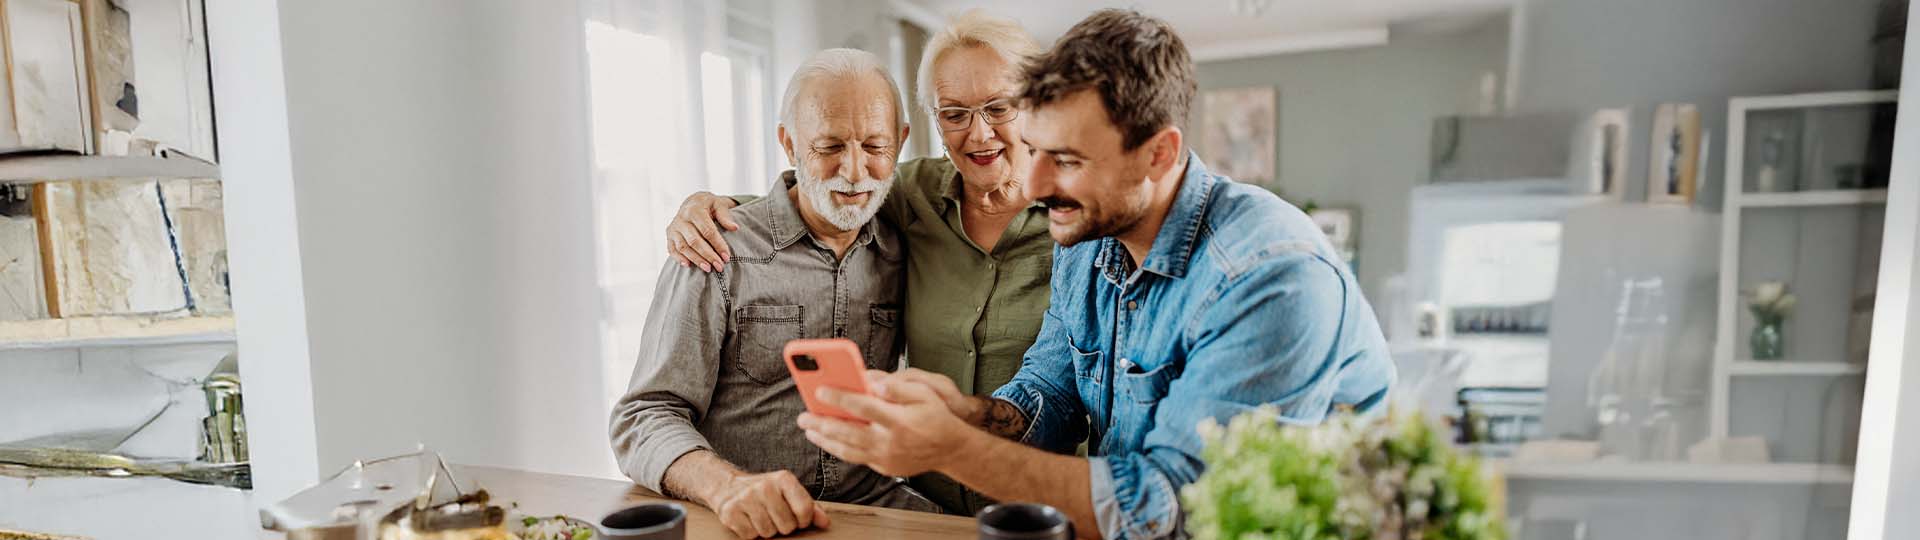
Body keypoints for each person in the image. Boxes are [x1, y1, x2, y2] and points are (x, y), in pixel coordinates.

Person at [795, 10, 1396, 540]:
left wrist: (949, 448)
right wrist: (965, 413)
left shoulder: (1272, 279)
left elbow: (1170, 510)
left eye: (1069, 161)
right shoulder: (1088, 235)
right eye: (1038, 149)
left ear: (1158, 154)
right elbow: (1050, 392)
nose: (1033, 186)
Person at [662, 10, 1048, 515]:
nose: (978, 135)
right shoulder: (913, 197)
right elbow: (822, 202)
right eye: (954, 113)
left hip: (1037, 502)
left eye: (999, 108)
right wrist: (711, 205)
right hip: (917, 504)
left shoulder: (1083, 220)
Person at [608, 48, 939, 540]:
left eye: (875, 145)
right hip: (738, 510)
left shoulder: (901, 247)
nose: (854, 170)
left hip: (868, 504)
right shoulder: (716, 249)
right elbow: (642, 417)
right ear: (789, 143)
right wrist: (727, 487)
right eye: (829, 147)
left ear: (901, 142)